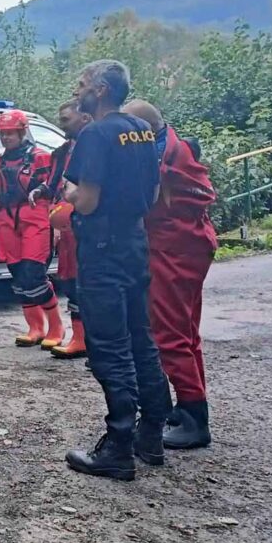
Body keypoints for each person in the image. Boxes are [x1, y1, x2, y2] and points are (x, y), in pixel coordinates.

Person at [62, 59, 169, 480]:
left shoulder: (96, 133)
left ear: (102, 90)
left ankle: (118, 447)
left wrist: (68, 192)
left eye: (84, 83)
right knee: (142, 339)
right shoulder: (144, 130)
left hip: (103, 248)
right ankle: (152, 434)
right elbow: (156, 192)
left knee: (110, 347)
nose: (78, 88)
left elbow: (86, 200)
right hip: (135, 242)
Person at [123, 98, 218, 451]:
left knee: (170, 335)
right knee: (187, 333)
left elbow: (145, 202)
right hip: (191, 245)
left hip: (173, 249)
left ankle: (194, 419)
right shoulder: (174, 148)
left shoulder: (159, 160)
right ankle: (190, 407)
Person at [0, 109, 63, 349]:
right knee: (18, 276)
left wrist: (57, 223)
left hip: (36, 217)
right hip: (7, 220)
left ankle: (56, 325)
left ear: (22, 132)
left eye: (10, 133)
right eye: (3, 133)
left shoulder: (41, 158)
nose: (6, 138)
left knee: (33, 274)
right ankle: (35, 327)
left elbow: (57, 189)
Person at [38, 100, 91, 359]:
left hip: (92, 224)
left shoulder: (96, 146)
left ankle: (98, 343)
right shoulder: (60, 153)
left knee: (91, 283)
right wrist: (40, 192)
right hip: (67, 227)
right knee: (70, 283)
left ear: (84, 118)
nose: (61, 124)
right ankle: (79, 339)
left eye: (66, 119)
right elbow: (52, 184)